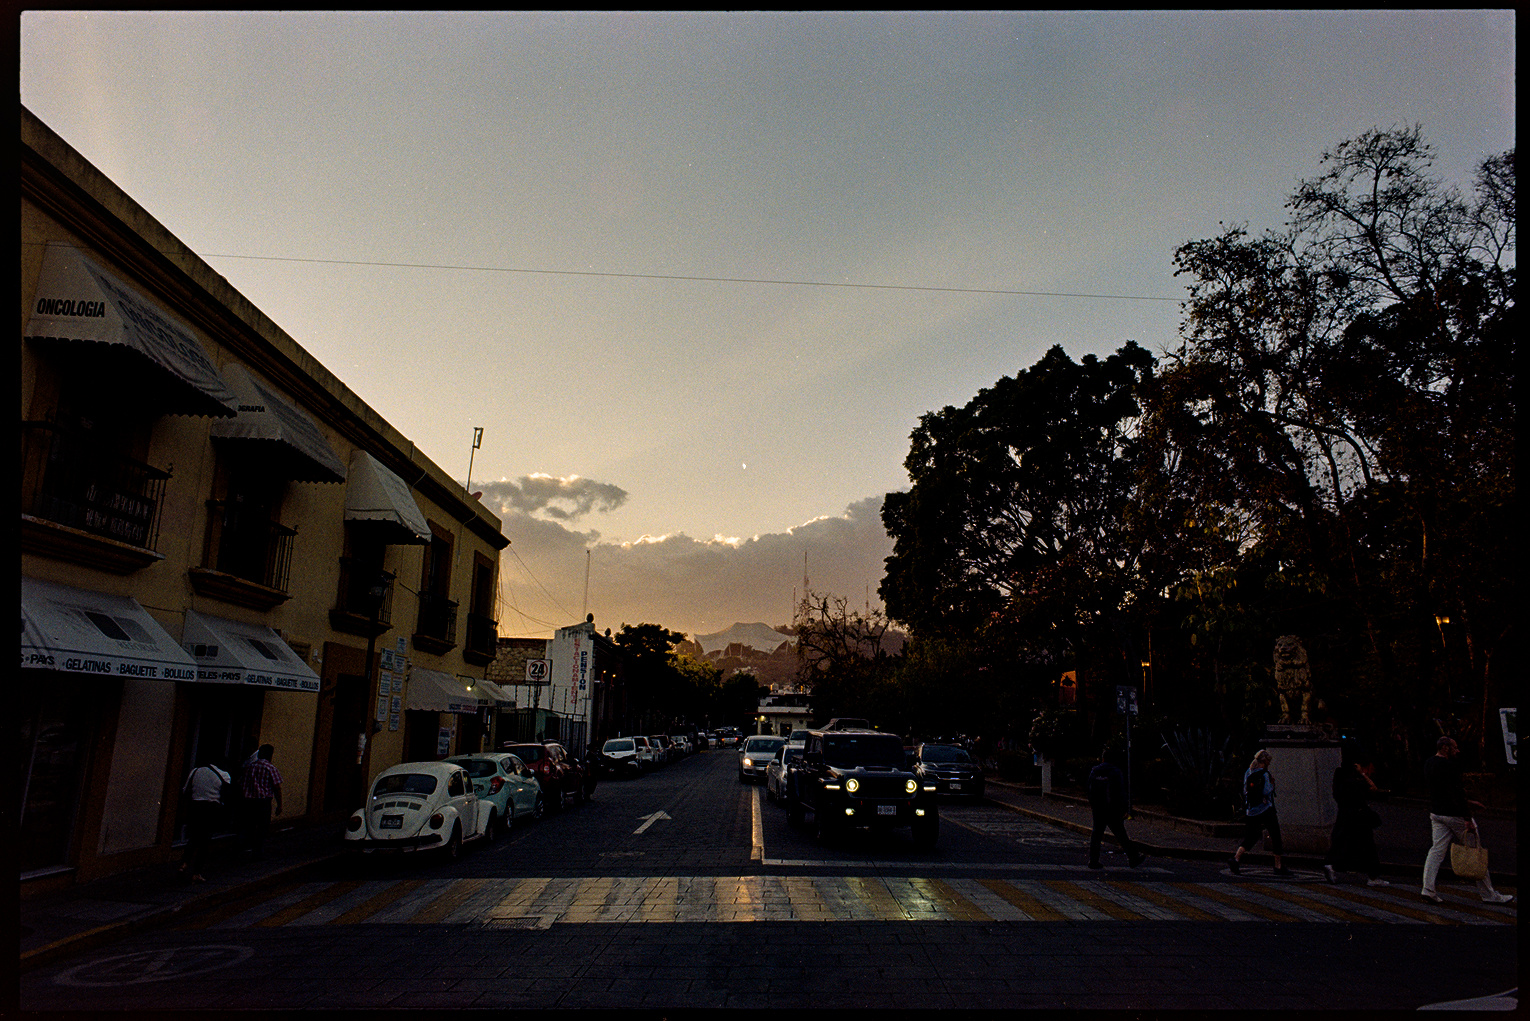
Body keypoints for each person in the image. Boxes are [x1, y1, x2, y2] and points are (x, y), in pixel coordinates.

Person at [1420, 736, 1514, 905]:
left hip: (1436, 813)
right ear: (1445, 748)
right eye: (1455, 747)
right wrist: (1468, 817)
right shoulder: (1450, 766)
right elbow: (1456, 792)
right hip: (1455, 815)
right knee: (1475, 851)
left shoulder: (1429, 763)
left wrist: (1468, 802)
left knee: (1436, 851)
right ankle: (1489, 894)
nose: (1458, 751)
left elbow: (1441, 791)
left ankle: (1428, 889)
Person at [1322, 752, 1389, 886]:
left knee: (1345, 843)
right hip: (1359, 815)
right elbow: (1372, 788)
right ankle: (1373, 876)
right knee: (1367, 846)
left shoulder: (1340, 774)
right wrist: (1363, 775)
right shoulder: (1355, 778)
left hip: (1345, 814)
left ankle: (1333, 865)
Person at [1228, 749, 1292, 876]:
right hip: (1266, 809)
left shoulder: (1249, 772)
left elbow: (1246, 791)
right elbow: (1267, 791)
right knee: (1275, 835)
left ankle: (1236, 858)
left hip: (1251, 811)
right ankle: (1278, 866)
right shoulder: (1264, 774)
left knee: (1251, 837)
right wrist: (1272, 784)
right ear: (1265, 762)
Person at [1086, 748, 1146, 869]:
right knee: (1121, 834)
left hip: (1098, 808)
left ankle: (1093, 860)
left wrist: (1093, 804)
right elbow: (1120, 792)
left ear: (1103, 759)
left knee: (1096, 834)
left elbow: (1089, 789)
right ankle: (1133, 857)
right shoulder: (1116, 772)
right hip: (1113, 808)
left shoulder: (1095, 771)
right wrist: (1125, 808)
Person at [178, 757, 230, 882]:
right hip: (211, 808)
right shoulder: (224, 776)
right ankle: (197, 872)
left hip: (196, 806)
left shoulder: (195, 771)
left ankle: (184, 862)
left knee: (194, 836)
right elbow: (226, 796)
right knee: (204, 841)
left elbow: (185, 789)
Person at [240, 743, 283, 858]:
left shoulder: (250, 767)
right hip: (263, 802)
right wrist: (279, 805)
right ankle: (257, 850)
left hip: (249, 801)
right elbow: (277, 787)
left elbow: (243, 783)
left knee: (250, 825)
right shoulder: (270, 768)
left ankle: (247, 847)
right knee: (262, 826)